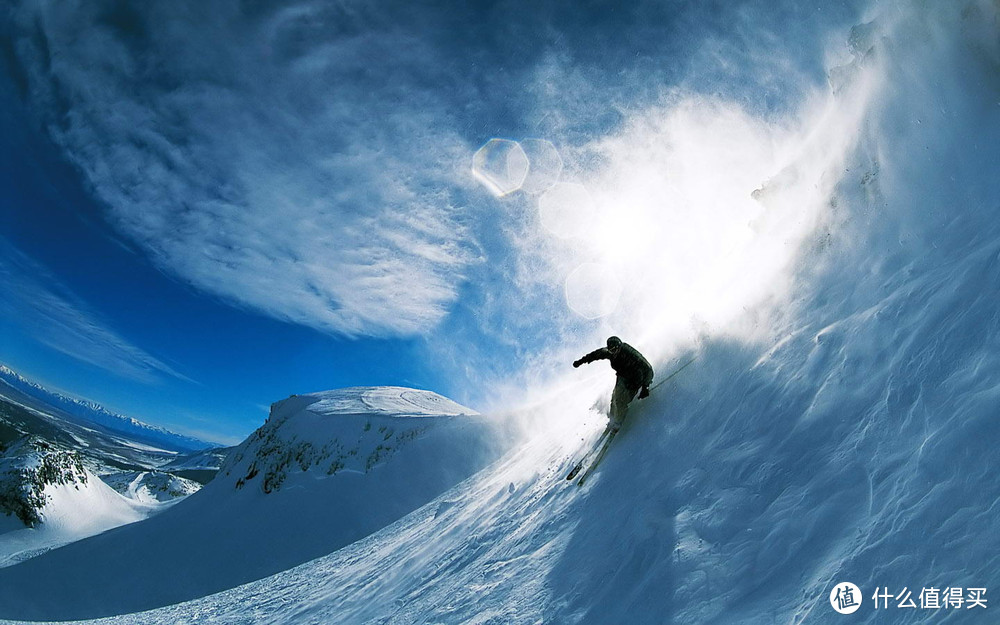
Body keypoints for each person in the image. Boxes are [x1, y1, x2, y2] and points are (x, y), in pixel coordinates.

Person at [573, 336, 654, 433]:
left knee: (621, 401)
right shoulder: (608, 353)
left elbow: (648, 368)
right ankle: (612, 420)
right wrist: (581, 361)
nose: (614, 352)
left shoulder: (628, 352)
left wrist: (646, 386)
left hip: (635, 379)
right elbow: (594, 355)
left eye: (615, 349)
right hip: (622, 377)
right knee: (614, 398)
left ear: (619, 346)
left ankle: (618, 422)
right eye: (611, 350)